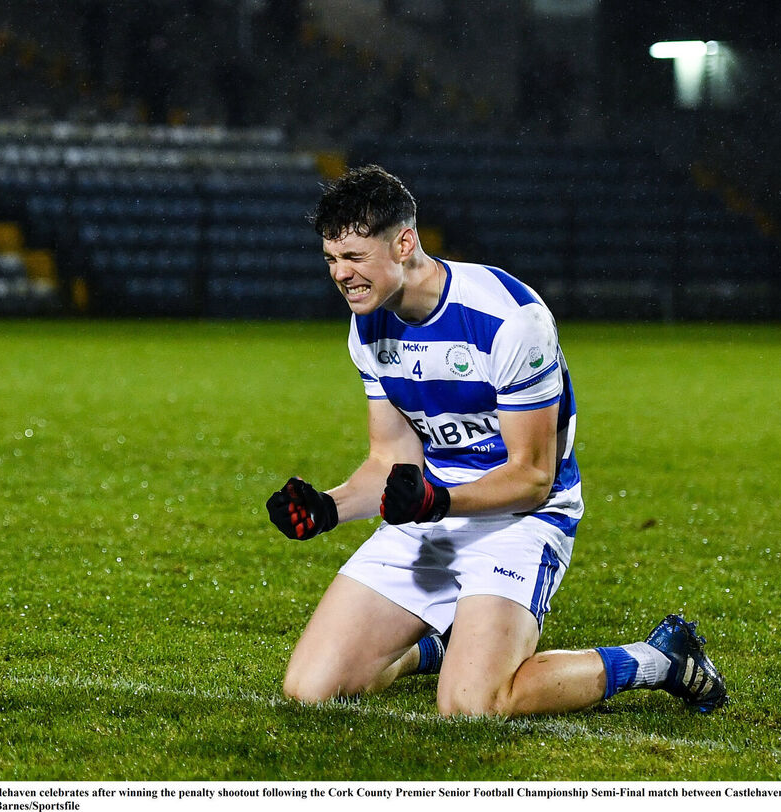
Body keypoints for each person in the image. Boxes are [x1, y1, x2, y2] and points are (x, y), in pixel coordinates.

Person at [265, 165, 728, 717]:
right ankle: (442, 647)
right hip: (433, 513)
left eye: (355, 258)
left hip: (522, 520)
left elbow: (534, 476)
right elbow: (390, 460)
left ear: (405, 243)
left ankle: (659, 659)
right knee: (310, 689)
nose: (341, 275)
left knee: (472, 706)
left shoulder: (509, 319)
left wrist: (438, 501)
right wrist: (327, 508)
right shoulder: (368, 323)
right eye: (331, 260)